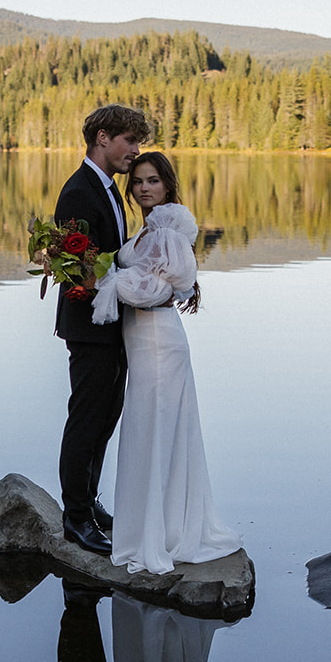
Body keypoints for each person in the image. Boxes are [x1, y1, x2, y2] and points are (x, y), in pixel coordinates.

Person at [90, 151, 242, 575]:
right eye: (137, 181)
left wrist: (103, 280)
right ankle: (151, 530)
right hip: (142, 344)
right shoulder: (150, 229)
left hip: (159, 342)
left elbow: (156, 291)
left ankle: (162, 536)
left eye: (152, 181)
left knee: (155, 434)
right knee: (146, 434)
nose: (143, 188)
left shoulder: (168, 233)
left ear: (167, 185)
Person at [54, 104, 152, 556]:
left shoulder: (109, 188)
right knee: (86, 420)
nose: (135, 151)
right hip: (90, 326)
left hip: (112, 325)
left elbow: (109, 254)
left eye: (137, 142)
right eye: (130, 141)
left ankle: (88, 502)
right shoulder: (79, 192)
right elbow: (77, 269)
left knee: (106, 419)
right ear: (102, 138)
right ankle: (74, 517)